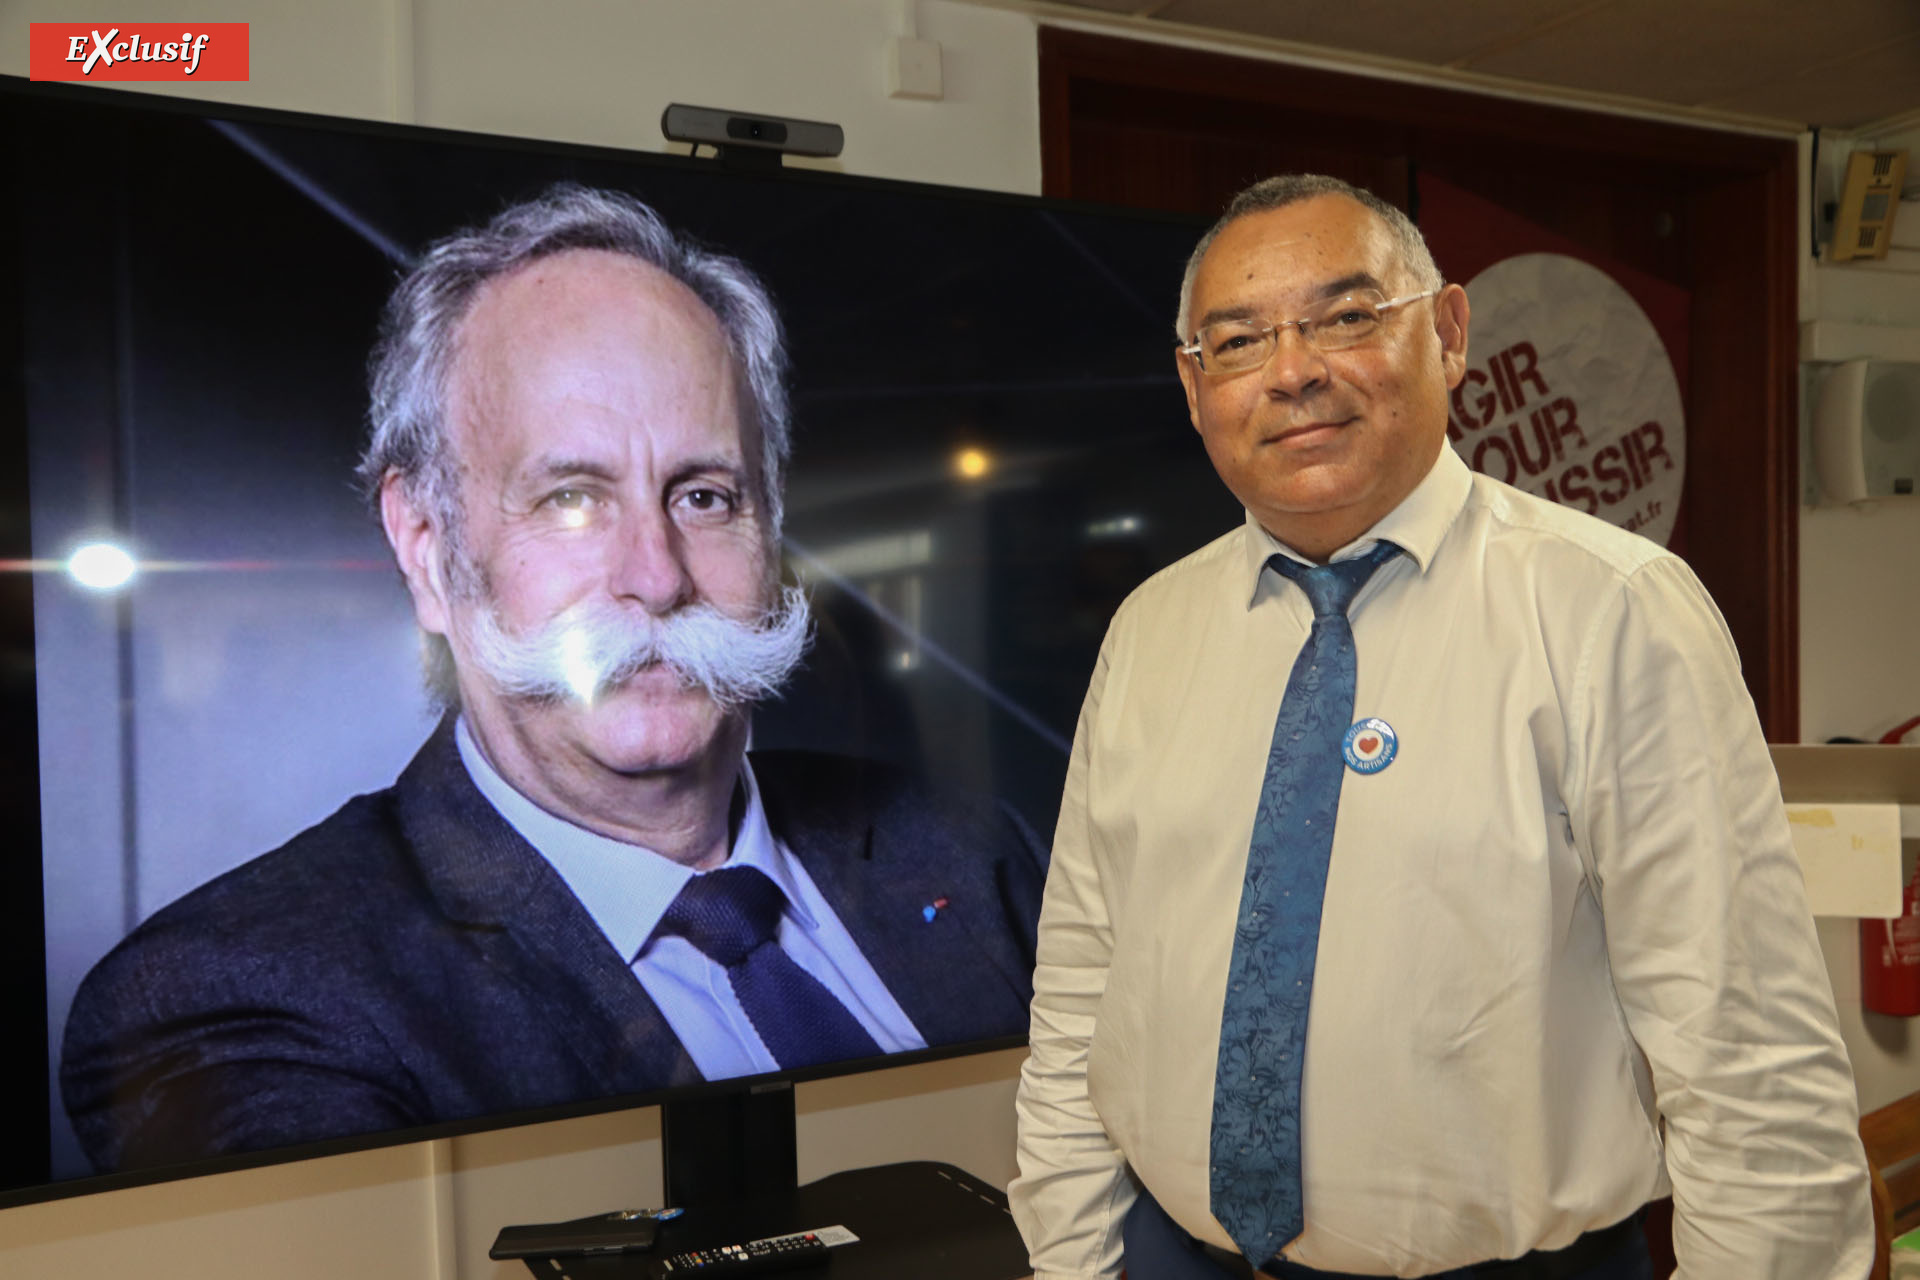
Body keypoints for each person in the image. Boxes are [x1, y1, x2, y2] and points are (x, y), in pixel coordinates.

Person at [61, 185, 1045, 1173]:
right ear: (427, 545)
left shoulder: (971, 852)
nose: (656, 577)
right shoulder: (241, 994)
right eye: (571, 496)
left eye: (705, 496)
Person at [1009, 174, 1871, 1279]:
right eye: (1238, 341)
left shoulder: (1609, 612)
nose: (1292, 371)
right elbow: (1083, 985)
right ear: (1194, 385)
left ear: (1450, 334)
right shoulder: (1150, 629)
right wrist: (1070, 1263)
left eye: (1346, 317)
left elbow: (1745, 1052)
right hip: (1174, 1256)